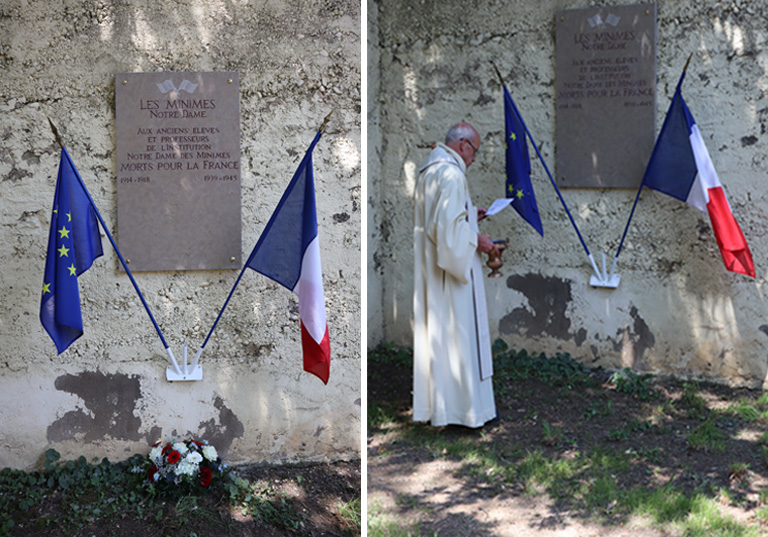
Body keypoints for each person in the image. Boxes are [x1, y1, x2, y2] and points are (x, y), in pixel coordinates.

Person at [412, 121, 497, 428]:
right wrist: (479, 240)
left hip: (434, 273)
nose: (474, 158)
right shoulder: (451, 173)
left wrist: (469, 214)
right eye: (474, 150)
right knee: (457, 336)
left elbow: (440, 218)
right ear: (462, 145)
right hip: (450, 276)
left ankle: (443, 409)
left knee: (442, 339)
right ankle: (465, 413)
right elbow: (447, 233)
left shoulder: (430, 170)